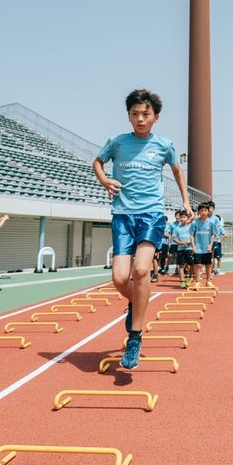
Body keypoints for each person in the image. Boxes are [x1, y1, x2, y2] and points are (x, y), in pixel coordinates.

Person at [93, 89, 191, 369]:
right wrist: (104, 180)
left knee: (140, 270)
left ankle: (135, 337)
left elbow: (177, 170)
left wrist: (184, 200)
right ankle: (137, 302)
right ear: (128, 116)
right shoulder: (117, 142)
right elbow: (97, 162)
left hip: (151, 215)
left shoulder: (163, 145)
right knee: (120, 278)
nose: (140, 119)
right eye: (135, 114)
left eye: (145, 114)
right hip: (122, 215)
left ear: (155, 117)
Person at [190, 202, 215, 289]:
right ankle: (197, 282)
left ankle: (208, 281)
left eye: (205, 210)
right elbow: (192, 235)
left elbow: (213, 234)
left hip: (207, 248)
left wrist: (210, 245)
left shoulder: (211, 223)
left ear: (208, 211)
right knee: (198, 266)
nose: (203, 212)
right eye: (201, 210)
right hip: (198, 248)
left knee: (208, 265)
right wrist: (193, 246)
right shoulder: (194, 223)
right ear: (198, 212)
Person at [208, 200, 226, 275]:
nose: (209, 209)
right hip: (207, 241)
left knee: (217, 257)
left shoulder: (215, 219)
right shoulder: (204, 218)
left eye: (211, 208)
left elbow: (218, 229)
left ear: (213, 209)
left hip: (215, 240)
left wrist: (219, 240)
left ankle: (217, 269)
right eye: (208, 208)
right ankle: (211, 270)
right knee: (210, 257)